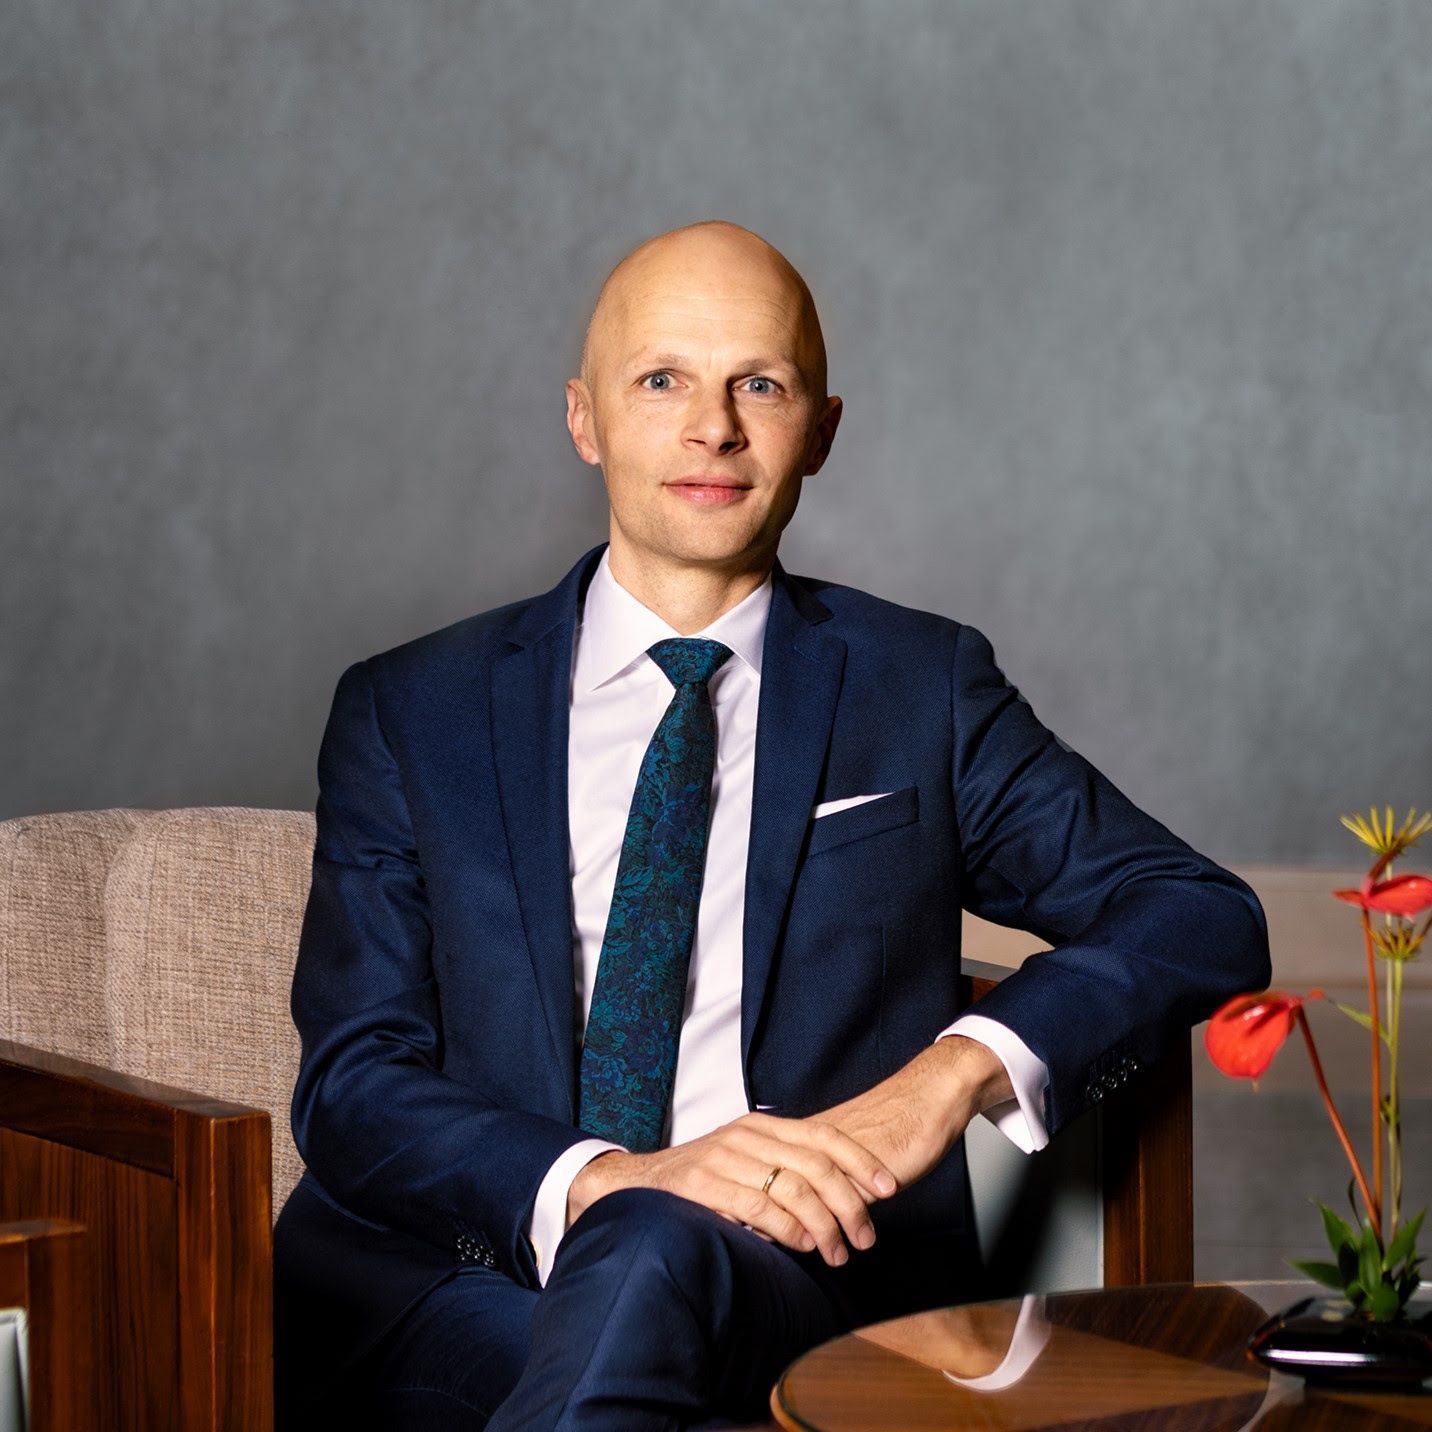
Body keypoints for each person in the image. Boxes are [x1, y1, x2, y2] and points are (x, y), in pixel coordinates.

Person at [272, 220, 1270, 1430]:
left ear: (823, 429)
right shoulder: (411, 708)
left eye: (760, 382)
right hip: (459, 1269)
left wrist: (947, 1079)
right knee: (631, 1264)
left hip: (797, 1274)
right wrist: (615, 1180)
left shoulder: (920, 690)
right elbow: (353, 1081)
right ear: (584, 420)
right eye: (662, 380)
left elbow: (1198, 912)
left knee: (651, 1270)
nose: (714, 427)